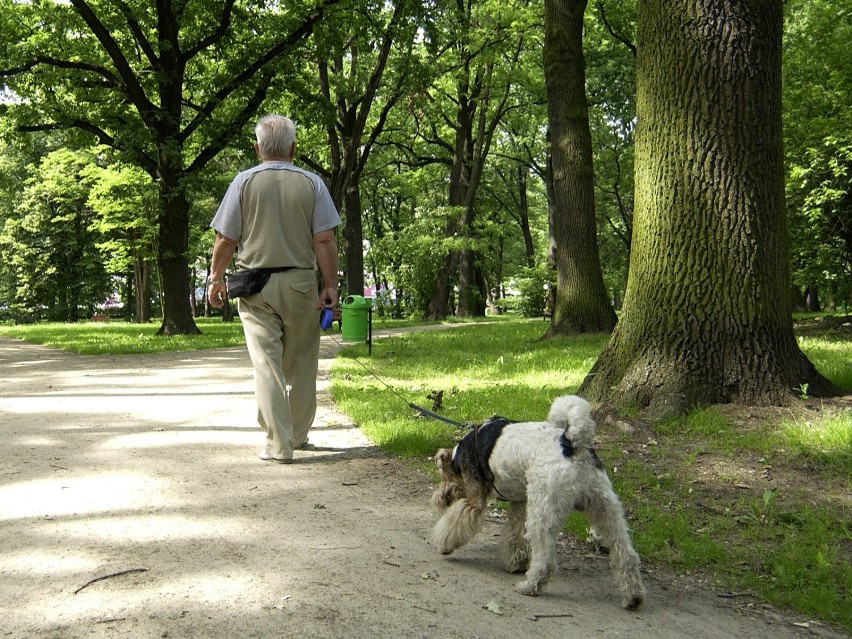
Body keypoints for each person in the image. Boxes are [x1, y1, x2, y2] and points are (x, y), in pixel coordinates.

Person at [208, 114, 340, 464]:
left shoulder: (243, 182)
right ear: (293, 149)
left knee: (267, 365)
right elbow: (324, 239)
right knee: (301, 364)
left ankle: (279, 444)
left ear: (257, 148)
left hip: (255, 287)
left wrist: (216, 278)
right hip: (300, 284)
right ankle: (297, 435)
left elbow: (225, 239)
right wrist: (330, 286)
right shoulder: (312, 183)